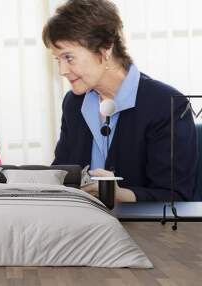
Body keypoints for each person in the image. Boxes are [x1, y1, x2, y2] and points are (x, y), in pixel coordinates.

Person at [42, 0, 197, 202]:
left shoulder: (167, 105)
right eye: (58, 60)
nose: (62, 70)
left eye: (68, 57)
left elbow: (175, 196)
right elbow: (62, 176)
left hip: (143, 231)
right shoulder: (74, 103)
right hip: (85, 226)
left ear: (105, 48)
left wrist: (118, 194)